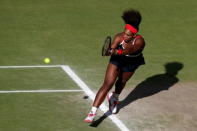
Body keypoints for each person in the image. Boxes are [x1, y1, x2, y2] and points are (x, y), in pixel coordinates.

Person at [84, 9, 145, 123]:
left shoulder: (139, 42)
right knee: (107, 84)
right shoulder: (119, 37)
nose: (124, 36)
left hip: (132, 61)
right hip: (117, 61)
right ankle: (92, 112)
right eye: (124, 33)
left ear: (134, 35)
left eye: (127, 35)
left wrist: (116, 52)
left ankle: (114, 98)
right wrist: (109, 51)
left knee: (121, 82)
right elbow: (112, 49)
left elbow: (129, 50)